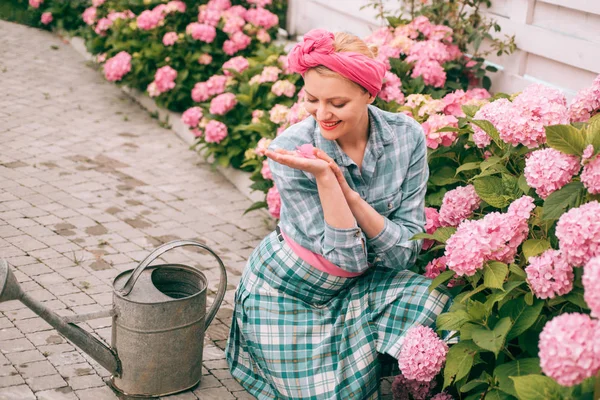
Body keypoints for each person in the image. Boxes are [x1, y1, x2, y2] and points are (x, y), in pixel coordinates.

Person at [226, 29, 452, 400]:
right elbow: (345, 259)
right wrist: (326, 181)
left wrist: (350, 197)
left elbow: (404, 253)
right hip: (290, 294)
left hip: (364, 285)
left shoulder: (406, 137)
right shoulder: (292, 151)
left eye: (337, 102)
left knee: (439, 306)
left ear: (369, 93)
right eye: (312, 99)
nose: (322, 114)